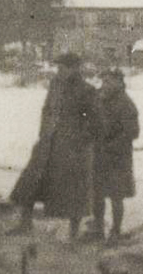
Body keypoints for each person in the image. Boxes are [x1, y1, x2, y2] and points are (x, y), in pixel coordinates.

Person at [9, 52, 101, 239]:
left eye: (63, 68)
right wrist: (43, 133)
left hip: (72, 150)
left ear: (75, 68)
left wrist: (79, 140)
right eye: (58, 67)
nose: (59, 71)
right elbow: (46, 110)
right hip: (48, 144)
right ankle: (25, 223)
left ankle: (73, 233)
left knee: (74, 191)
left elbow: (96, 122)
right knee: (31, 182)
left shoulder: (87, 91)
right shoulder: (55, 85)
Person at [90, 68, 140, 244]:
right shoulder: (99, 99)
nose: (105, 85)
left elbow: (133, 132)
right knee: (97, 194)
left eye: (109, 81)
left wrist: (112, 145)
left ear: (119, 83)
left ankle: (116, 231)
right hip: (98, 154)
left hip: (118, 158)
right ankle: (97, 228)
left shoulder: (126, 104)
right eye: (104, 81)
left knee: (116, 196)